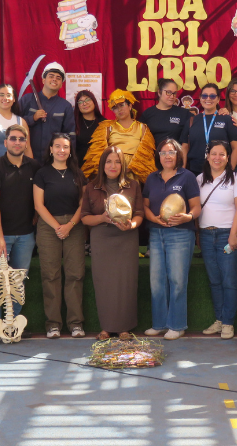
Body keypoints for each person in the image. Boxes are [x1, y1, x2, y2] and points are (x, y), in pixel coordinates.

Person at [0, 124, 41, 347]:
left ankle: (14, 325)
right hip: (1, 236)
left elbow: (39, 198)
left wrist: (34, 217)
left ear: (26, 143)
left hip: (26, 235)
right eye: (12, 139)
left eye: (21, 139)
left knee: (17, 281)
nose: (17, 142)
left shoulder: (34, 166)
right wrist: (0, 236)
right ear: (5, 143)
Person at [81, 146, 144, 341]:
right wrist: (102, 218)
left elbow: (140, 213)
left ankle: (124, 328)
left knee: (126, 283)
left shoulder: (133, 185)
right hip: (102, 241)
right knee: (104, 284)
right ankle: (107, 328)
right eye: (109, 161)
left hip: (126, 239)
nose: (113, 165)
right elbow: (84, 218)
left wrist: (131, 224)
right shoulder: (91, 187)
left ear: (122, 165)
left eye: (117, 161)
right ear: (103, 164)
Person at [143, 139, 201, 340]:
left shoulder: (187, 177)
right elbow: (145, 206)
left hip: (181, 234)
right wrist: (154, 219)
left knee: (177, 280)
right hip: (156, 233)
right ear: (158, 156)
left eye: (171, 152)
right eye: (163, 152)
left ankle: (177, 325)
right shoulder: (151, 178)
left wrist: (188, 217)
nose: (167, 156)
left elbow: (196, 207)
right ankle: (159, 324)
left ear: (178, 155)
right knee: (156, 281)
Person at [33, 133, 87, 339]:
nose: (61, 150)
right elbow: (38, 205)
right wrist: (58, 227)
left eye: (65, 147)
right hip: (49, 226)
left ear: (70, 150)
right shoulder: (42, 174)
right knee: (51, 275)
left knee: (75, 274)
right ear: (50, 149)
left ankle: (75, 324)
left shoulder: (78, 173)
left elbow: (83, 204)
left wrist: (70, 225)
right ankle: (53, 324)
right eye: (57, 146)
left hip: (74, 225)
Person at [198, 140, 237, 340]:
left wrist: (234, 234)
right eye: (214, 154)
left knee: (229, 280)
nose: (217, 158)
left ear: (228, 158)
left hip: (227, 235)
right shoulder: (199, 179)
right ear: (208, 156)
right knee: (215, 280)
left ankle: (228, 323)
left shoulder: (236, 178)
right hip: (206, 236)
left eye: (222, 154)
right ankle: (219, 319)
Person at [82, 89, 157, 183]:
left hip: (132, 174)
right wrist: (113, 166)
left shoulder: (142, 128)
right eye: (115, 107)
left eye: (122, 105)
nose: (119, 110)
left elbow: (146, 155)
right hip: (111, 173)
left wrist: (130, 167)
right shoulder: (107, 127)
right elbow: (97, 153)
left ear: (130, 106)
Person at [179, 83, 237, 174]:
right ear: (200, 98)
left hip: (220, 172)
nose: (208, 99)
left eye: (212, 96)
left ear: (218, 99)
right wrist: (183, 171)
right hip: (195, 172)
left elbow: (236, 147)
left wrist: (229, 171)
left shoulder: (227, 119)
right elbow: (184, 147)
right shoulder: (192, 120)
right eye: (204, 96)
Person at [20, 62, 76, 160]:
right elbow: (13, 124)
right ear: (43, 80)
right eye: (51, 76)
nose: (54, 79)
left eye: (58, 78)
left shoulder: (65, 106)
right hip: (26, 158)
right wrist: (32, 118)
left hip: (53, 161)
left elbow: (70, 135)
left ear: (61, 85)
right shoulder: (27, 99)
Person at [0, 84, 33, 164]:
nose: (5, 98)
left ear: (14, 99)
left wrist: (30, 168)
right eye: (1, 95)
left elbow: (27, 149)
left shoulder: (21, 121)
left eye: (9, 95)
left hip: (19, 167)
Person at [139, 78, 190, 148]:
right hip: (153, 157)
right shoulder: (148, 113)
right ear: (159, 92)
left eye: (174, 93)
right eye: (168, 92)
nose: (172, 96)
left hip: (175, 156)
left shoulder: (183, 113)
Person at [73, 90, 105, 167]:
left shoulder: (104, 123)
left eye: (87, 99)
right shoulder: (73, 122)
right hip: (77, 168)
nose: (84, 103)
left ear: (94, 101)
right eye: (80, 102)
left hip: (98, 168)